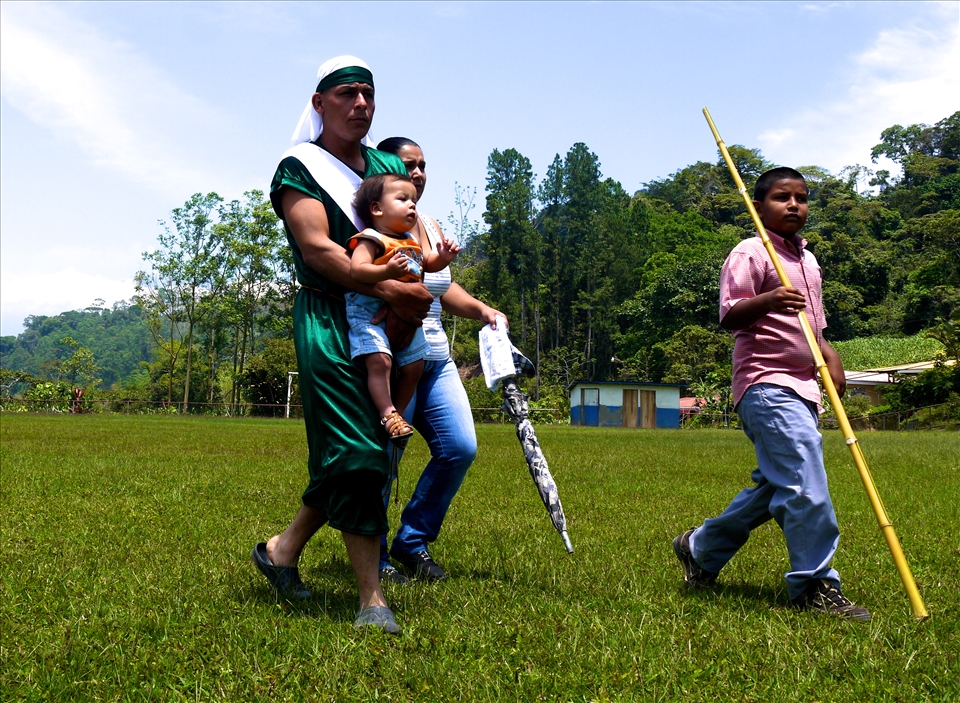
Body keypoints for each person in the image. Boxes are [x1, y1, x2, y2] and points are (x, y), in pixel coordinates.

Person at [251, 56, 434, 635]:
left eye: (368, 95)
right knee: (360, 448)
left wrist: (417, 293)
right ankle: (372, 598)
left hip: (390, 319)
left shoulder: (383, 164)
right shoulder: (298, 169)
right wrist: (391, 287)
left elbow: (413, 232)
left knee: (356, 451)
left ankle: (281, 551)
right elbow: (320, 251)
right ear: (319, 102)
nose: (360, 104)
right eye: (347, 94)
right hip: (330, 316)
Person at [672, 167, 871, 621]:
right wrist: (767, 300)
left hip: (804, 388)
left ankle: (700, 548)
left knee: (779, 485)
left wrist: (830, 353)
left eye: (802, 198)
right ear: (759, 206)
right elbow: (731, 314)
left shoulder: (809, 260)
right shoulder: (750, 252)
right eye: (782, 197)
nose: (794, 205)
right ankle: (814, 585)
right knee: (803, 480)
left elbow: (813, 325)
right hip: (765, 384)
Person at [374, 137, 506, 583]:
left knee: (460, 448)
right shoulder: (374, 223)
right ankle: (374, 557)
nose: (418, 173)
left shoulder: (428, 224)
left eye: (424, 166)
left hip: (437, 360)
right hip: (395, 359)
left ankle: (412, 542)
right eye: (408, 165)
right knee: (387, 458)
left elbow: (443, 289)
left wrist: (484, 310)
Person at [346, 173, 460, 443]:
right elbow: (357, 269)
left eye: (414, 201)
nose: (412, 205)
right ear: (376, 208)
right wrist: (386, 269)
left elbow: (427, 263)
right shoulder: (371, 238)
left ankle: (396, 415)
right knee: (380, 361)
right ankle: (387, 413)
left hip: (407, 317)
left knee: (415, 365)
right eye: (402, 199)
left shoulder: (411, 240)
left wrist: (443, 257)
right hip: (369, 313)